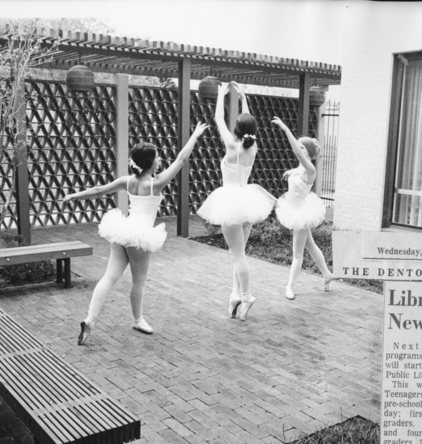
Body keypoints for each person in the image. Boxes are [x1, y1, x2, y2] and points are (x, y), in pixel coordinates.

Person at [63, 122, 208, 345]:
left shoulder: (128, 181)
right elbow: (181, 159)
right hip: (140, 236)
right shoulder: (156, 183)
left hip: (122, 230)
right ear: (150, 162)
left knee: (109, 277)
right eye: (158, 157)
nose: (160, 160)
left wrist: (73, 196)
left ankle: (90, 319)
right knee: (138, 282)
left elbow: (98, 191)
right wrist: (195, 136)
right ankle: (138, 319)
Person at [197, 82, 275, 320]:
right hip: (247, 200)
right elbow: (248, 122)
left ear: (238, 129)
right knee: (237, 252)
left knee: (238, 255)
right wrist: (243, 97)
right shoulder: (254, 148)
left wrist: (221, 94)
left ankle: (247, 294)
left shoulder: (232, 145)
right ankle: (235, 296)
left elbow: (218, 118)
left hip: (230, 200)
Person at [271, 116, 335, 300]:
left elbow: (301, 162)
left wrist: (285, 128)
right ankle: (327, 274)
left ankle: (289, 287)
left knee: (297, 254)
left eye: (300, 147)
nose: (297, 150)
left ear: (306, 152)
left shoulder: (311, 170)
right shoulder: (300, 168)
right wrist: (289, 172)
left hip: (300, 213)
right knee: (311, 246)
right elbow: (297, 169)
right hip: (295, 209)